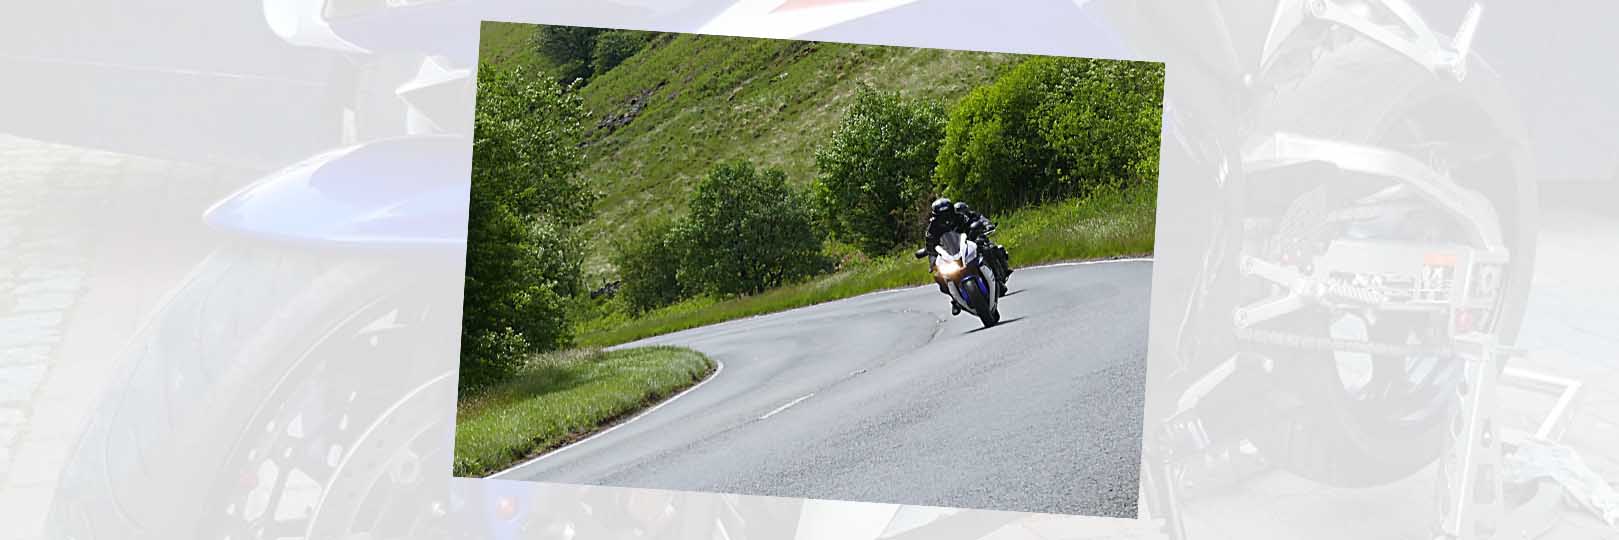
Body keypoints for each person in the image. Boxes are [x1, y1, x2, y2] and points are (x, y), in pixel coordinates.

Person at [914, 198, 1012, 315]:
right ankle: (955, 300)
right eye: (942, 216)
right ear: (936, 216)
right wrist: (933, 263)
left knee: (986, 250)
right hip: (949, 255)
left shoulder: (960, 217)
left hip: (967, 247)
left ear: (952, 211)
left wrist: (978, 233)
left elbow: (971, 224)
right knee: (939, 276)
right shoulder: (932, 229)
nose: (946, 218)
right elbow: (931, 248)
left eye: (948, 214)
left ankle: (997, 278)